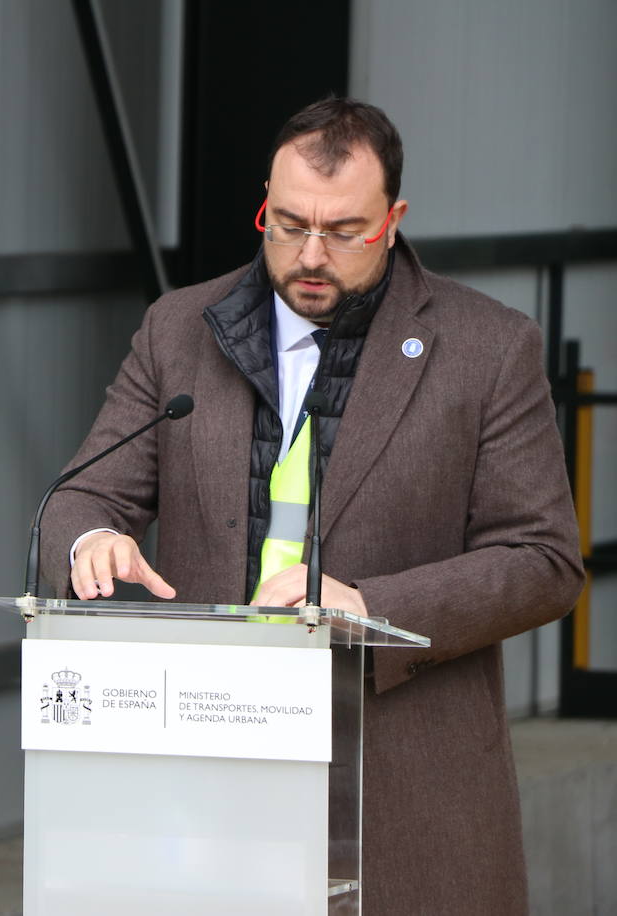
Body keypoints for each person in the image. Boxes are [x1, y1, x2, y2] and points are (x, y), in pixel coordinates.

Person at [42, 97, 583, 914]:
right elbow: (82, 492)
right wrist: (89, 537)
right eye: (289, 224)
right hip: (209, 768)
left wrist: (371, 606)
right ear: (265, 200)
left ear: (393, 220)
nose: (311, 254)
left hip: (399, 781)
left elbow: (544, 562)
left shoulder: (489, 347)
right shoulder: (178, 326)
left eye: (344, 231)